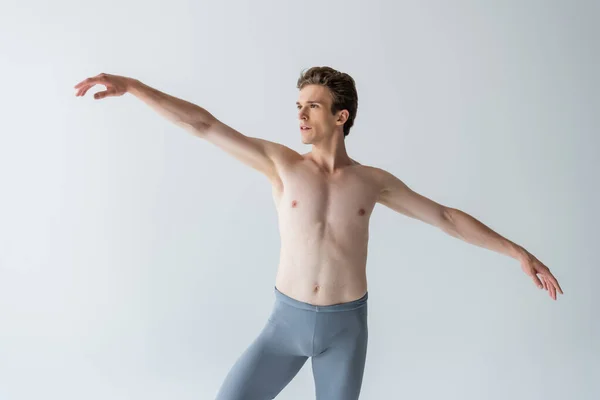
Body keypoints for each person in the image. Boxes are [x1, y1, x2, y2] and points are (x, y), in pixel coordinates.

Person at [74, 66, 563, 399]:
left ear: (340, 117)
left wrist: (518, 252)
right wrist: (135, 87)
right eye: (299, 104)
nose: (301, 114)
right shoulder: (280, 164)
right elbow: (203, 125)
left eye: (312, 106)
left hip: (345, 332)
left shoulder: (373, 183)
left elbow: (447, 218)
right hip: (282, 328)